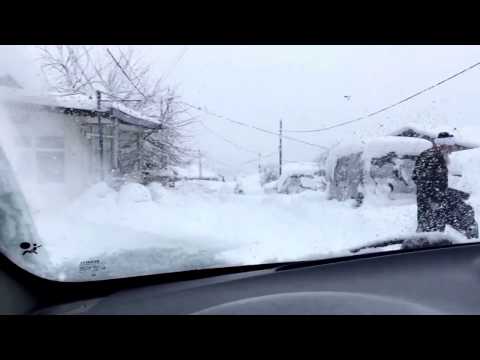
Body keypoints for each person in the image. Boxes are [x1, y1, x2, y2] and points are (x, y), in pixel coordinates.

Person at [412, 132, 478, 238]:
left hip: (431, 200)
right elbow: (425, 181)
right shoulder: (434, 157)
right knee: (432, 232)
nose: (452, 150)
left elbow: (417, 177)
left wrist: (454, 193)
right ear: (444, 145)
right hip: (432, 202)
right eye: (451, 146)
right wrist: (433, 199)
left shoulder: (430, 154)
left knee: (430, 229)